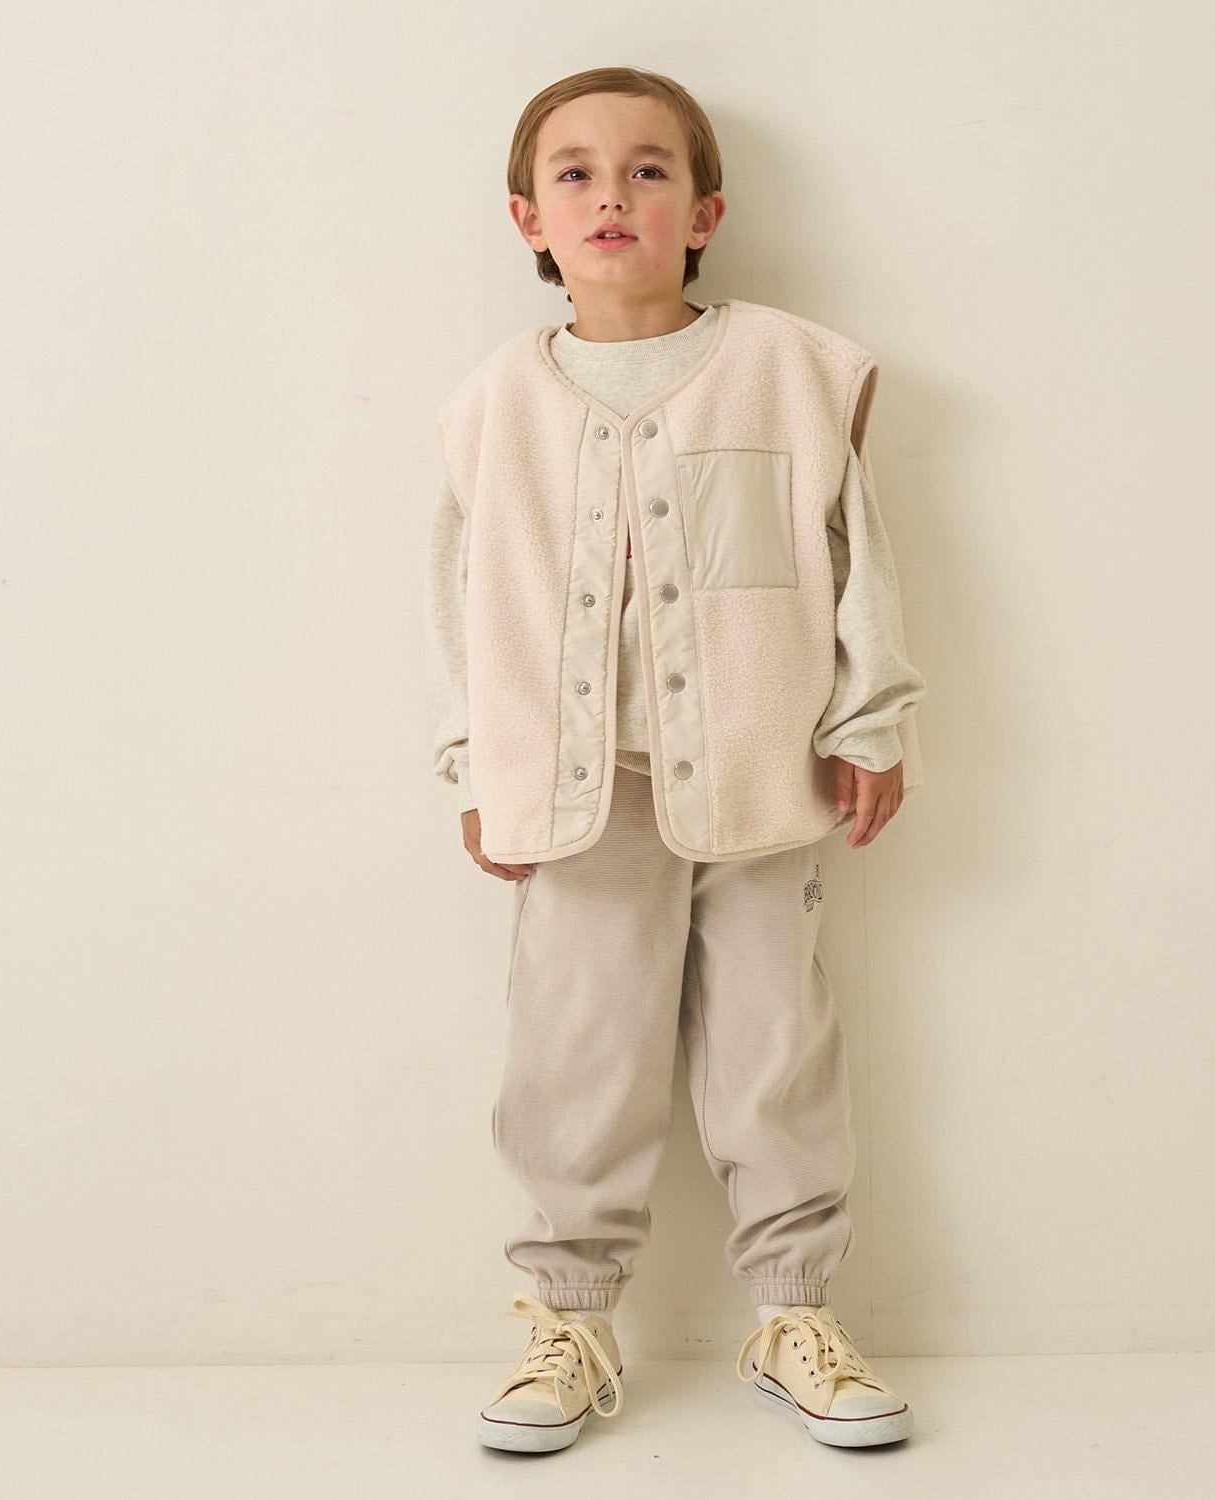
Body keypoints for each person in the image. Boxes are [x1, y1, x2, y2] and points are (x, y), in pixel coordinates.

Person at [423, 65, 927, 1453]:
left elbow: (853, 554)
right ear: (528, 218)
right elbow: (460, 595)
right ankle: (569, 1320)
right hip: (578, 799)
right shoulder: (494, 401)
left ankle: (794, 1313)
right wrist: (473, 762)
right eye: (575, 172)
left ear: (704, 212)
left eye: (648, 169)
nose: (612, 194)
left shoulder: (786, 370)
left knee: (777, 1049)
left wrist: (869, 717)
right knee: (576, 1052)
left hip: (764, 778)